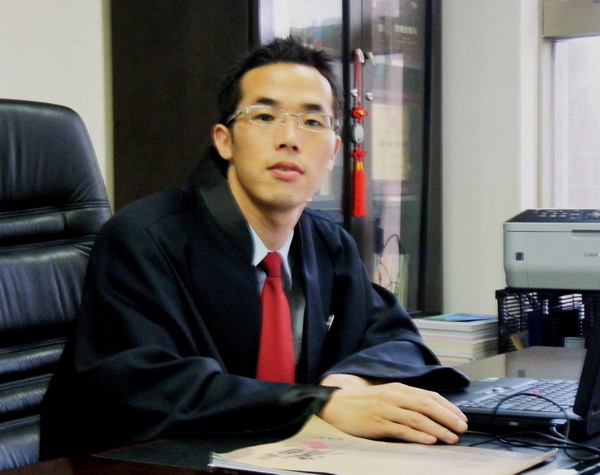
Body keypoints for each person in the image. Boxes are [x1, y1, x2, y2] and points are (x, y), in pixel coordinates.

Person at [39, 36, 469, 460]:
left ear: (334, 152)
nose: (289, 138)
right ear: (224, 141)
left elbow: (397, 339)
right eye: (264, 116)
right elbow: (141, 392)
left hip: (292, 460)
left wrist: (351, 382)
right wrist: (318, 404)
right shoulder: (144, 238)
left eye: (312, 122)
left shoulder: (328, 242)